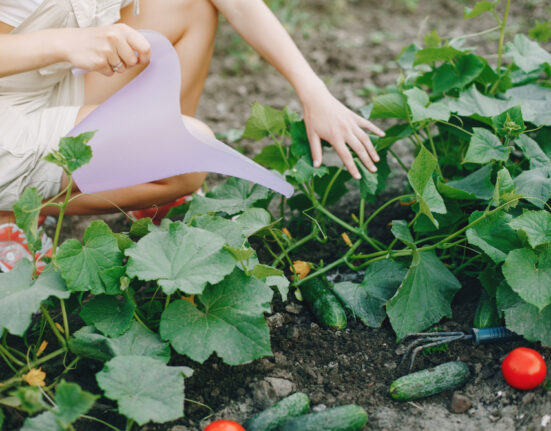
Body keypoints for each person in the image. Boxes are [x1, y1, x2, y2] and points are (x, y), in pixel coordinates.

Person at [0, 0, 384, 272]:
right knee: (188, 152)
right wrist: (61, 43)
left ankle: (149, 193)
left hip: (51, 81)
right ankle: (11, 213)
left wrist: (313, 92)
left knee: (191, 6)